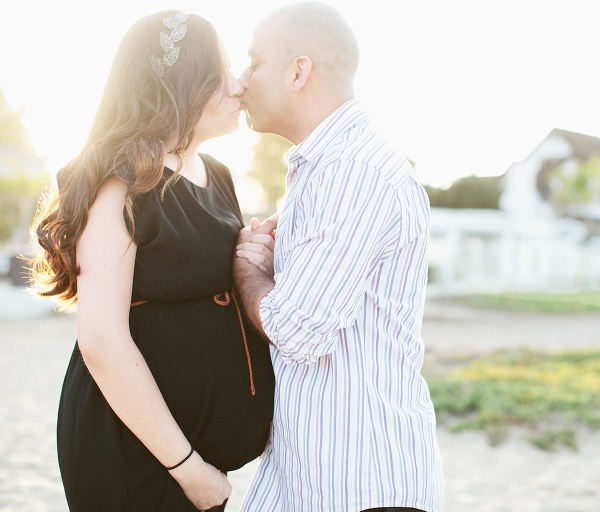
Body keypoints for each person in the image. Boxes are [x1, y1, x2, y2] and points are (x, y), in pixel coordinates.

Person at [30, 11, 274, 511]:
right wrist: (187, 469)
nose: (237, 85)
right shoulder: (120, 180)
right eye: (218, 72)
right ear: (176, 84)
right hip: (139, 451)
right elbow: (100, 338)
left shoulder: (218, 174)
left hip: (196, 454)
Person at [233, 3, 444, 511]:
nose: (241, 81)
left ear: (299, 71)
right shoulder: (326, 166)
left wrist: (249, 274)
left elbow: (299, 328)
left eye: (254, 61)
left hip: (360, 486)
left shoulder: (353, 170)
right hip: (318, 480)